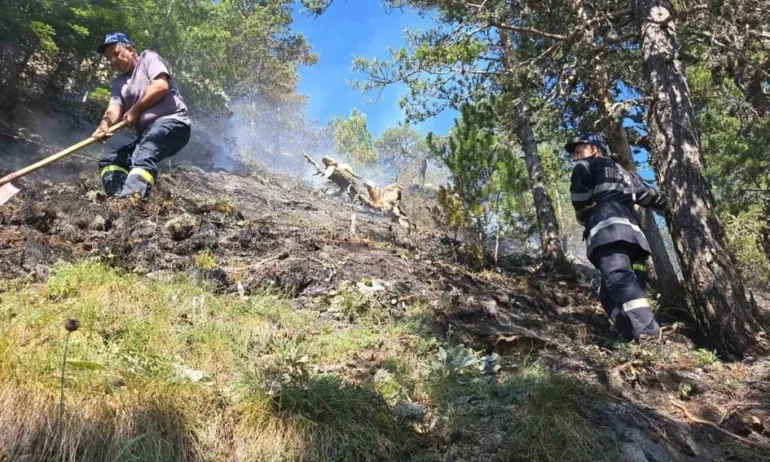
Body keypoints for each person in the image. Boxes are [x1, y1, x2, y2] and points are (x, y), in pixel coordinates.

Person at [565, 133, 668, 343]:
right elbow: (652, 197)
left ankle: (650, 338)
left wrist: (583, 209)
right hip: (636, 242)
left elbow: (578, 198)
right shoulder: (628, 175)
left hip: (608, 234)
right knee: (610, 294)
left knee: (620, 281)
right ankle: (633, 337)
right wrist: (672, 205)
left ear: (594, 149)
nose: (576, 157)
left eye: (579, 151)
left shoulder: (586, 166)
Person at [92, 32, 191, 200]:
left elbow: (160, 86)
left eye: (116, 53)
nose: (113, 60)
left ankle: (132, 203)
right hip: (149, 134)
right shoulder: (119, 83)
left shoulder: (148, 58)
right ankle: (118, 200)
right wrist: (104, 124)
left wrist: (135, 111)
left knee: (143, 156)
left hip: (173, 123)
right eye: (109, 58)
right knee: (111, 163)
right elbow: (114, 107)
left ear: (130, 49)